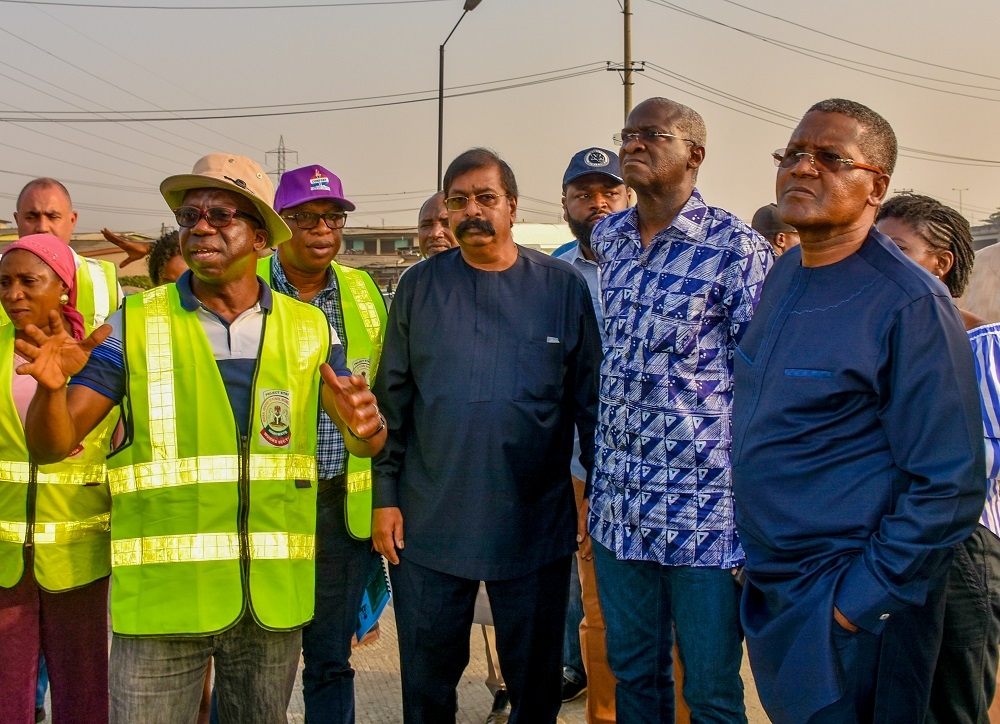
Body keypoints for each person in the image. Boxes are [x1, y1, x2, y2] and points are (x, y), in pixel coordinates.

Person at [15, 153, 387, 724]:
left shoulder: (309, 329)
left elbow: (361, 439)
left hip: (270, 606)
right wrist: (48, 390)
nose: (201, 226)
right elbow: (51, 443)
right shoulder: (133, 322)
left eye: (221, 214)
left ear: (261, 237)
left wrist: (369, 429)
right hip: (162, 608)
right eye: (190, 217)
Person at [732, 99, 985, 724]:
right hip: (777, 589)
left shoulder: (909, 303)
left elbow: (948, 486)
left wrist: (857, 601)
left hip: (853, 608)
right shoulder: (785, 274)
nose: (802, 168)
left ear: (876, 185)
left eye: (829, 158)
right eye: (792, 153)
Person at [372, 147, 601, 722]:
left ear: (513, 207)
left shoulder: (562, 287)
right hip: (429, 521)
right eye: (459, 201)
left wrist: (592, 497)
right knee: (426, 684)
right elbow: (391, 405)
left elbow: (590, 406)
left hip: (534, 521)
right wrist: (385, 497)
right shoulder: (419, 289)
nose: (472, 210)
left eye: (486, 198)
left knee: (535, 683)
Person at [586, 97, 771, 724]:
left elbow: (763, 382)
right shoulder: (608, 238)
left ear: (694, 153)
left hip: (705, 516)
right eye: (627, 133)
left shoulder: (734, 248)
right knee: (635, 677)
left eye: (651, 135)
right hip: (621, 510)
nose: (632, 145)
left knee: (712, 691)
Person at [259, 163, 387, 724]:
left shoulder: (364, 292)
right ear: (279, 225)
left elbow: (390, 391)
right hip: (265, 504)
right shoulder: (249, 287)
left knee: (330, 659)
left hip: (340, 505)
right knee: (259, 662)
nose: (321, 230)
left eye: (331, 217)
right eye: (305, 218)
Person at [876, 193, 1000, 724]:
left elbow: (981, 464)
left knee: (952, 705)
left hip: (961, 546)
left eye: (896, 249)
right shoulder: (878, 344)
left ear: (940, 263)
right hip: (888, 547)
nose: (878, 263)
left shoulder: (984, 345)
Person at [0, 234, 119, 723]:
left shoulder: (98, 357)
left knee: (84, 694)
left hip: (79, 557)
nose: (14, 294)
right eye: (4, 283)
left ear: (64, 289)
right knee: (7, 697)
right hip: (5, 558)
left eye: (30, 281)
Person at [552, 146, 627, 724]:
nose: (598, 203)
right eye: (585, 193)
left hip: (664, 466)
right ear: (565, 204)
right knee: (597, 609)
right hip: (584, 467)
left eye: (610, 191)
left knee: (670, 618)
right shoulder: (553, 274)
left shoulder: (658, 261)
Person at [13, 178, 121, 327]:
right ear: (17, 220)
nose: (43, 227)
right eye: (31, 217)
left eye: (53, 217)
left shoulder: (102, 278)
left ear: (72, 220)